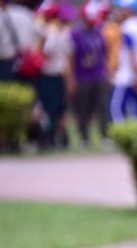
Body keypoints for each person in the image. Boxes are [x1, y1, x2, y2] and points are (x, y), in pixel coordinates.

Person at [70, 1, 109, 146]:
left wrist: (107, 73)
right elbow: (71, 58)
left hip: (98, 75)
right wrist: (72, 78)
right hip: (82, 77)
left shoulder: (98, 33)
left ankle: (105, 136)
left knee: (102, 107)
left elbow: (104, 54)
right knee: (83, 108)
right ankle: (84, 137)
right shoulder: (75, 34)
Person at [109, 0, 137, 122]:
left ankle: (122, 137)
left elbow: (131, 52)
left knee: (116, 108)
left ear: (128, 10)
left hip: (129, 76)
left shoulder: (128, 27)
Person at [35, 1, 73, 148]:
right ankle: (63, 139)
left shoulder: (50, 31)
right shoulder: (63, 31)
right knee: (60, 109)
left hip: (49, 74)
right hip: (61, 74)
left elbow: (47, 51)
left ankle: (50, 138)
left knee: (49, 108)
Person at [0, 0, 38, 82]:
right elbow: (41, 34)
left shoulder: (2, 15)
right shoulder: (26, 14)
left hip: (4, 64)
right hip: (26, 64)